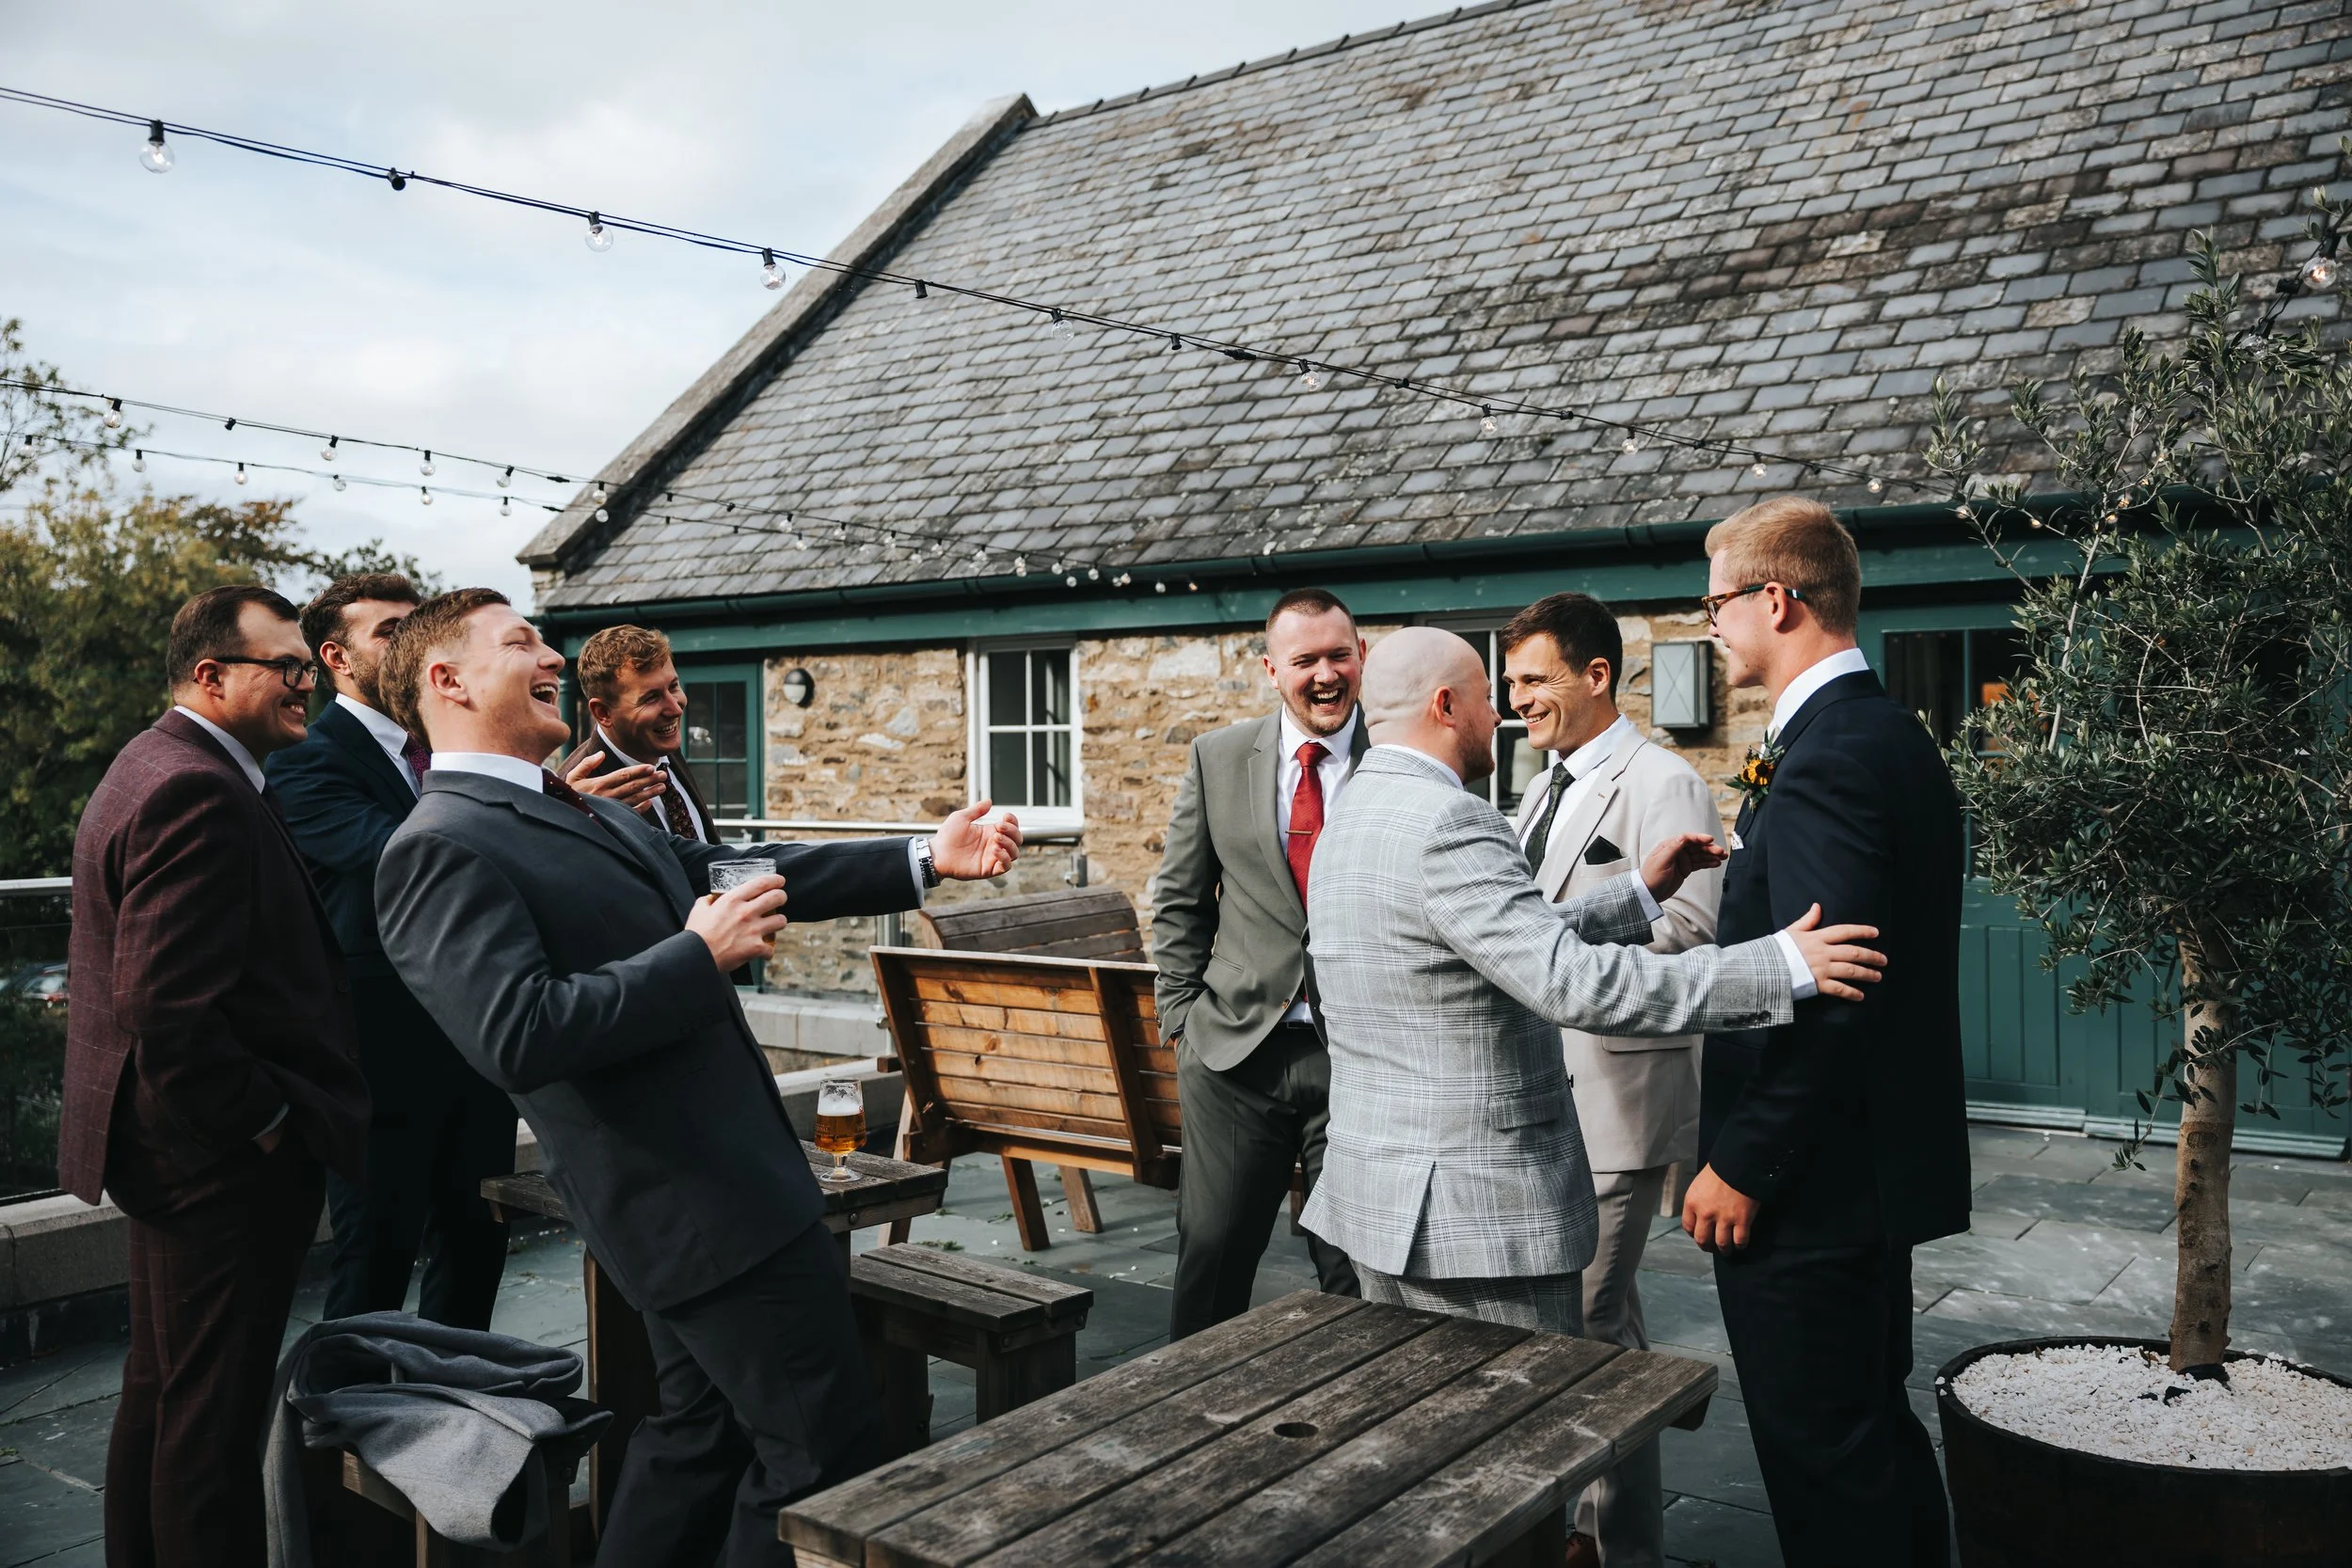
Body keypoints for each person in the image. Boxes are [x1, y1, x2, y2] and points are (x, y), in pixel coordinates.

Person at [371, 589, 1021, 1564]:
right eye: (522, 641)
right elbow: (516, 1031)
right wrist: (693, 955)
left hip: (730, 1185)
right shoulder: (436, 844)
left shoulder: (568, 803)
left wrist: (924, 855)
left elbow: (732, 868)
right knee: (820, 1452)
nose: (552, 655)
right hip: (697, 1208)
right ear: (447, 679)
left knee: (698, 1433)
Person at [1300, 626, 1885, 1336]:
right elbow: (1577, 986)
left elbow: (1484, 941)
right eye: (1491, 696)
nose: (1502, 715)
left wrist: (1637, 893)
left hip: (1378, 1196)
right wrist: (1779, 964)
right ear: (1447, 705)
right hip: (1474, 1216)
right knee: (1529, 1429)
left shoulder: (1348, 816)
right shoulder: (1453, 817)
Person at [58, 585, 371, 1568]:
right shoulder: (197, 786)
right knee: (214, 1427)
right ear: (210, 675)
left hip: (165, 1150)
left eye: (307, 665)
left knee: (163, 1393)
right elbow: (168, 1007)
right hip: (216, 1168)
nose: (306, 681)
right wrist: (268, 1121)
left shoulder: (160, 761)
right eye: (284, 666)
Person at [1687, 497, 1968, 1567]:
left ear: (1777, 598)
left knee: (1823, 1463)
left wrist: (1744, 1162)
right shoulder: (1877, 731)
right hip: (1861, 1173)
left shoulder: (1829, 757)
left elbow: (1830, 987)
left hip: (1813, 1188)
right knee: (1867, 1437)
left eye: (1716, 601)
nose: (1708, 622)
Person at [1502, 594, 1718, 1568]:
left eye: (1533, 679)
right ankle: (1615, 1538)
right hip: (1542, 1099)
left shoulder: (1663, 781)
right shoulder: (1536, 786)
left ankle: (1601, 1543)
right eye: (1508, 684)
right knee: (1603, 1326)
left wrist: (1566, 943)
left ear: (1596, 676)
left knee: (1584, 1326)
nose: (1516, 700)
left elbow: (1690, 937)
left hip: (1617, 1100)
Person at [266, 572, 516, 1330]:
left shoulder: (456, 741)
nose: (412, 641)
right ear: (336, 657)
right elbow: (400, 857)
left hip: (477, 1044)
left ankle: (457, 1422)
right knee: (374, 1259)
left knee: (477, 1249)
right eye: (390, 631)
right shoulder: (306, 760)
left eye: (419, 626)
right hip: (378, 1065)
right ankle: (336, 1430)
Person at [1150, 586, 1368, 1338]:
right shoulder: (1217, 758)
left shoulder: (1402, 759)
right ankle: (1184, 1432)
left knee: (1354, 1272)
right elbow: (1181, 900)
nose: (1325, 673)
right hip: (1234, 1057)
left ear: (1362, 657)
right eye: (1304, 659)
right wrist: (1180, 1016)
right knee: (1211, 1258)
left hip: (1359, 1060)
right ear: (1272, 669)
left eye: (1339, 655)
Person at [556, 624, 721, 842]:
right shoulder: (578, 795)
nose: (675, 708)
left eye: (673, 687)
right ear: (603, 712)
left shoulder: (658, 744)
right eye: (651, 698)